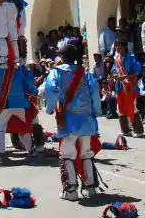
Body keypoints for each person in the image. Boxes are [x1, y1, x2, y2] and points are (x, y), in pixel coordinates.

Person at [45, 38, 103, 201]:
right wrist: (96, 112)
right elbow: (95, 94)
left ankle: (70, 191)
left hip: (68, 120)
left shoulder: (56, 72)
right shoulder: (85, 74)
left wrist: (50, 109)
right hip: (86, 120)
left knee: (67, 154)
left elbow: (50, 92)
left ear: (62, 57)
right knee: (86, 153)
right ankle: (91, 188)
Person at [0, 50, 39, 162]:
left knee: (0, 128)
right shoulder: (20, 70)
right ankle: (31, 150)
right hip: (20, 103)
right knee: (24, 127)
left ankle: (0, 153)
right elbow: (29, 83)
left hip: (4, 103)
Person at [112, 39, 143, 137]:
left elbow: (137, 71)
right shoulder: (116, 58)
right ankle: (125, 130)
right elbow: (114, 69)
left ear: (124, 46)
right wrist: (115, 74)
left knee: (132, 107)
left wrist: (125, 77)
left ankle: (138, 130)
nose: (117, 48)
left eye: (118, 46)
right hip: (120, 86)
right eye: (116, 46)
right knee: (120, 108)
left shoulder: (131, 57)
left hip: (130, 86)